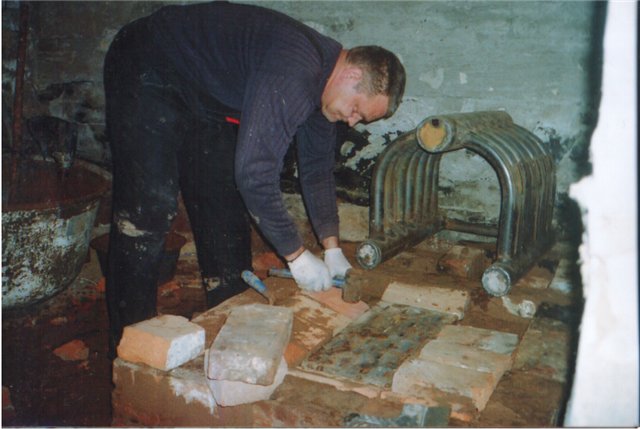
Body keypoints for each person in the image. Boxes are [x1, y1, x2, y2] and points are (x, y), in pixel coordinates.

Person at [103, 1, 406, 357]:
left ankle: (228, 325)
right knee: (148, 209)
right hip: (149, 63)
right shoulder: (295, 72)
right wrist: (296, 255)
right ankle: (131, 345)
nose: (352, 121)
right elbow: (255, 173)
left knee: (224, 204)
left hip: (202, 94)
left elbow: (317, 172)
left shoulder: (326, 94)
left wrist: (332, 248)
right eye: (356, 110)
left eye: (360, 120)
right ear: (352, 75)